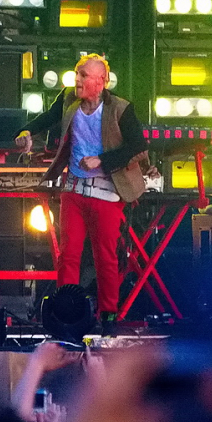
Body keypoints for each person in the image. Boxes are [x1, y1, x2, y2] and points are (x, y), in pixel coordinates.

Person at [24, 54, 149, 320]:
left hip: (107, 192)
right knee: (68, 255)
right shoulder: (69, 98)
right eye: (76, 73)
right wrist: (25, 132)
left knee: (105, 257)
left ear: (101, 81)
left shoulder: (120, 108)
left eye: (83, 75)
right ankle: (65, 312)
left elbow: (139, 147)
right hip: (74, 189)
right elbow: (48, 117)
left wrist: (102, 160)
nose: (77, 80)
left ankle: (108, 314)